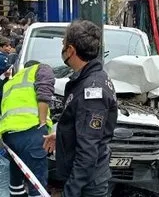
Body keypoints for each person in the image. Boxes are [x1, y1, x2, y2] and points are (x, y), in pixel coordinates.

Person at [43, 20, 118, 197]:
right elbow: (85, 129)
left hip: (87, 184)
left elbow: (88, 150)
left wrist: (70, 192)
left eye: (63, 44)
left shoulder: (92, 91)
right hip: (88, 178)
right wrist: (63, 135)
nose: (62, 49)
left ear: (70, 50)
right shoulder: (92, 77)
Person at [0, 60, 55, 197]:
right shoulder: (41, 68)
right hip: (31, 131)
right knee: (37, 182)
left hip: (9, 137)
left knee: (16, 181)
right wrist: (43, 123)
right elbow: (44, 93)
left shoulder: (10, 82)